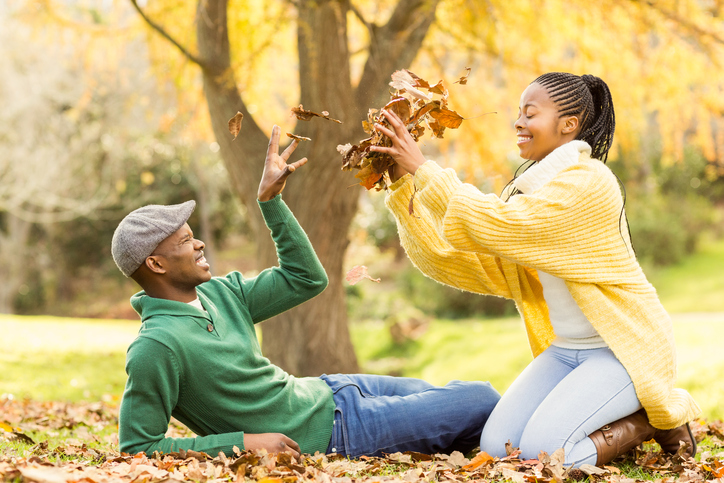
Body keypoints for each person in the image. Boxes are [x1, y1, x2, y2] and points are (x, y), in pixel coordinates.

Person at [372, 72, 700, 467]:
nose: (518, 122)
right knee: (498, 449)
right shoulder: (528, 191)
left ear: (568, 124)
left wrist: (424, 170)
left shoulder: (590, 183)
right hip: (566, 351)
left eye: (531, 113)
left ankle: (649, 420)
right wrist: (402, 185)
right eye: (518, 113)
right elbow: (452, 258)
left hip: (623, 351)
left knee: (547, 456)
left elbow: (500, 224)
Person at [111, 125, 500, 459]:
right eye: (184, 242)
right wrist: (244, 443)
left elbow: (306, 278)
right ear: (156, 265)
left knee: (465, 401)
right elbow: (138, 447)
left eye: (194, 237)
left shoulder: (220, 293)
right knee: (480, 400)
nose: (199, 246)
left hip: (336, 390)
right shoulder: (156, 346)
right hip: (336, 435)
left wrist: (271, 202)